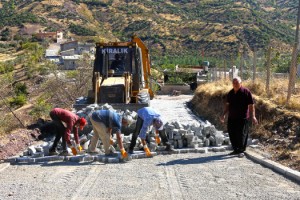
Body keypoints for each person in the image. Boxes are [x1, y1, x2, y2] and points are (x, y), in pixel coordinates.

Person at [220, 77, 258, 158]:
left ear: (241, 83)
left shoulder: (246, 92)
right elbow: (227, 105)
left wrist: (253, 116)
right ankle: (235, 149)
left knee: (241, 134)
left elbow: (251, 105)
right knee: (231, 133)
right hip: (232, 117)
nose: (235, 84)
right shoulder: (230, 93)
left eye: (237, 83)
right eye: (234, 83)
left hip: (243, 118)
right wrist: (223, 114)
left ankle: (241, 150)